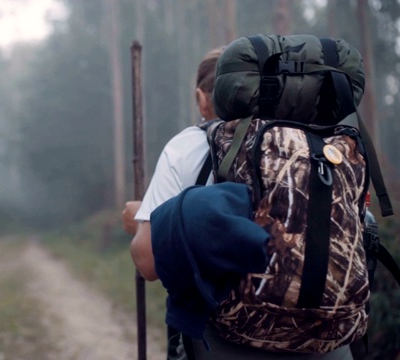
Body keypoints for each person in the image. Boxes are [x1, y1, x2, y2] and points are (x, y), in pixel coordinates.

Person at [121, 46, 355, 360]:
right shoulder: (320, 145)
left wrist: (141, 221)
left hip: (220, 343)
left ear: (204, 99)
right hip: (327, 342)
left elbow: (149, 261)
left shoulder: (189, 145)